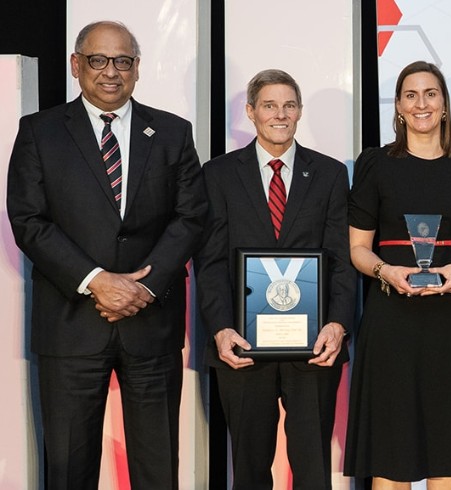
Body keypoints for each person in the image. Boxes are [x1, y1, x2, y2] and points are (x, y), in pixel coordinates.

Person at [5, 20, 205, 489]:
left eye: (122, 61)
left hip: (151, 326)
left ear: (137, 69)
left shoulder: (173, 132)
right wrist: (97, 279)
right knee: (69, 470)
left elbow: (192, 218)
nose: (110, 72)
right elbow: (29, 221)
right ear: (77, 65)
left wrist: (143, 288)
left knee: (158, 470)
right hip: (71, 326)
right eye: (98, 60)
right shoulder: (40, 132)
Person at [343, 61, 451, 489]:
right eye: (411, 95)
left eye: (431, 94)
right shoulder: (375, 164)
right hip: (392, 319)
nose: (421, 103)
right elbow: (358, 249)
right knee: (391, 450)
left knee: (450, 449)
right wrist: (386, 271)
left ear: (444, 105)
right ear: (399, 108)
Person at [195, 69, 356, 489]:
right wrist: (221, 329)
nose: (279, 114)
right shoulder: (218, 174)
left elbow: (341, 258)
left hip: (314, 346)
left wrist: (338, 325)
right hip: (243, 347)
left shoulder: (330, 174)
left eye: (288, 105)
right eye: (269, 105)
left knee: (313, 466)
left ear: (300, 111)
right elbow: (209, 261)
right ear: (251, 112)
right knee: (248, 468)